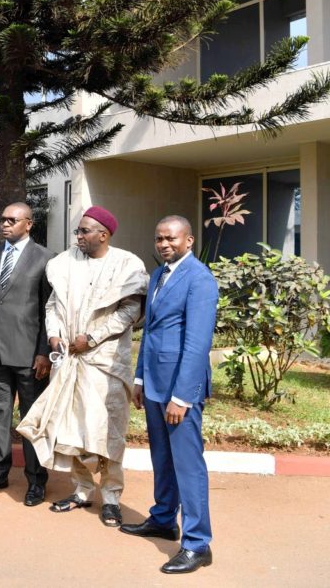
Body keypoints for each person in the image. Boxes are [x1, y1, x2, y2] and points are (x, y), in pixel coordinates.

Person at [17, 206, 148, 527]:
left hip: (105, 364)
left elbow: (130, 311)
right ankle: (82, 490)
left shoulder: (127, 265)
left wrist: (91, 338)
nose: (78, 236)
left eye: (84, 231)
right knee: (69, 428)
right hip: (68, 361)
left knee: (107, 431)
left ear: (104, 235)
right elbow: (52, 306)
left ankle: (112, 497)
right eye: (78, 231)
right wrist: (53, 336)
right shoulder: (64, 263)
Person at [121, 216, 218, 575]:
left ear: (188, 241)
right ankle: (163, 519)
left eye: (171, 239)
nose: (164, 244)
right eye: (159, 238)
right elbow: (151, 331)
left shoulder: (199, 279)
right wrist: (140, 378)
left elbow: (197, 344)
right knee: (162, 458)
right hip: (154, 384)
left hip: (179, 390)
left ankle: (197, 544)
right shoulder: (159, 275)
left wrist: (183, 397)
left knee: (188, 465)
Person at [0, 202, 52, 506]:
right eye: (3, 219)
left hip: (30, 357)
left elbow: (49, 310)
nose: (5, 224)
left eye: (12, 220)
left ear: (28, 224)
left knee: (32, 419)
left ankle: (36, 480)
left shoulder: (45, 258)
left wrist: (44, 351)